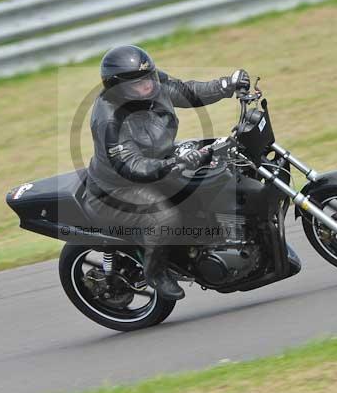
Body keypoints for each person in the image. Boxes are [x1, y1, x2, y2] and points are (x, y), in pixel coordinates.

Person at [84, 44, 250, 300]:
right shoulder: (109, 119)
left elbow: (188, 91)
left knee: (220, 170)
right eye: (136, 85)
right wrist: (173, 163)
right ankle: (156, 272)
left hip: (160, 162)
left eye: (148, 78)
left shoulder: (152, 83)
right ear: (117, 88)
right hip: (119, 188)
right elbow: (132, 166)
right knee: (164, 219)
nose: (147, 87)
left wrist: (227, 84)